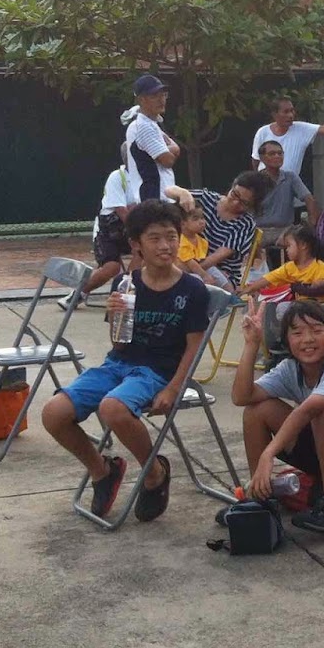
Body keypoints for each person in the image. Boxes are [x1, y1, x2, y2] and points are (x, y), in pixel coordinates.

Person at [40, 199, 211, 521]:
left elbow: (194, 347)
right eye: (155, 238)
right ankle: (102, 471)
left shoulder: (192, 290)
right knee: (53, 413)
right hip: (118, 364)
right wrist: (115, 315)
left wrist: (174, 388)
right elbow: (119, 344)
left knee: (112, 408)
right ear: (137, 245)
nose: (165, 246)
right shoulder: (126, 284)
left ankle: (154, 472)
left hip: (158, 372)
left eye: (171, 237)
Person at [231, 297, 324, 535]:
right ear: (287, 340)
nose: (308, 339)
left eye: (316, 330)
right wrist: (251, 344)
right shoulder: (290, 369)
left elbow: (307, 410)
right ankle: (260, 498)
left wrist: (268, 454)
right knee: (256, 411)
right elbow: (242, 396)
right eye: (297, 333)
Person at [165, 172, 271, 286]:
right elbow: (168, 191)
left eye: (244, 203)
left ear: (252, 206)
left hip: (218, 274)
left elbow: (214, 259)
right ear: (232, 186)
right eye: (235, 194)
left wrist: (182, 271)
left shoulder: (245, 224)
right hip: (185, 262)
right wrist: (183, 193)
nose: (235, 202)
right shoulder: (206, 199)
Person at [62, 165, 130, 311]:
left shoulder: (155, 176)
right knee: (112, 267)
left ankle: (132, 295)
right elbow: (122, 211)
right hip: (107, 231)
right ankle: (78, 294)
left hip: (132, 230)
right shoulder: (118, 176)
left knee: (144, 252)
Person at [250, 96, 324, 178]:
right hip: (265, 183)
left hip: (289, 185)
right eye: (286, 112)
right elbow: (255, 159)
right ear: (275, 114)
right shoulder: (263, 132)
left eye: (292, 110)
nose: (291, 115)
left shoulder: (301, 129)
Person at [254, 140, 320, 268]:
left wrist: (313, 224)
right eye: (272, 154)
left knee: (303, 244)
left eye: (280, 153)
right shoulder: (254, 180)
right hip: (259, 231)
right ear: (262, 158)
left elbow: (309, 199)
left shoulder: (290, 177)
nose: (277, 156)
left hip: (285, 230)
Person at [121, 74, 179, 202]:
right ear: (141, 100)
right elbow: (168, 160)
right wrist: (173, 148)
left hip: (158, 199)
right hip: (154, 199)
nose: (161, 100)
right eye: (154, 96)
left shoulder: (150, 124)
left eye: (163, 95)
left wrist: (168, 150)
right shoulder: (144, 126)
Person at [175, 198, 226, 288]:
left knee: (214, 271)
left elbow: (201, 260)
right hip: (181, 272)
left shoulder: (202, 241)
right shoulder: (181, 240)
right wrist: (205, 276)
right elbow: (191, 263)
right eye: (196, 219)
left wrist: (218, 273)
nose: (202, 222)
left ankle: (230, 293)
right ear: (183, 223)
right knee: (198, 279)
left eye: (202, 218)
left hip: (197, 269)